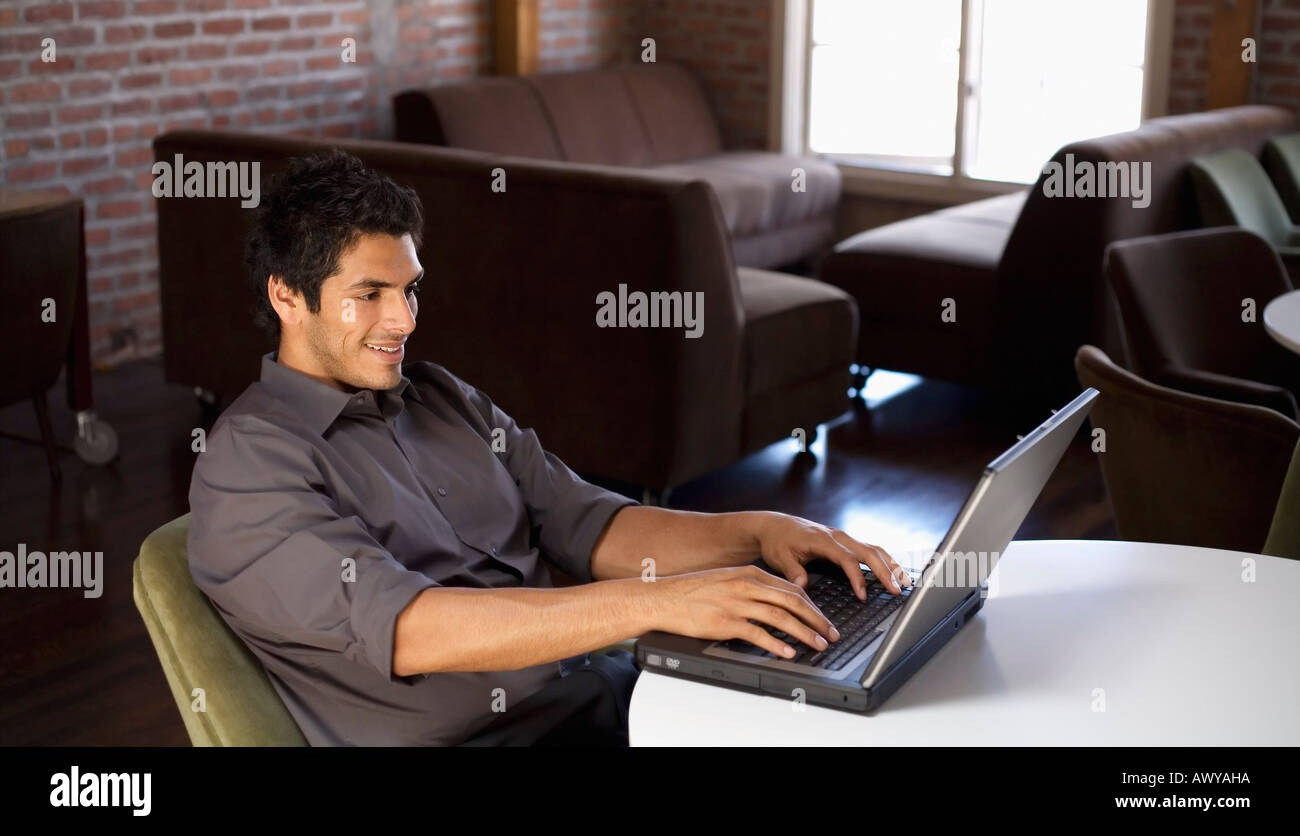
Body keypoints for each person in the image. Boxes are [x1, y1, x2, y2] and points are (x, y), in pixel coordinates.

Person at [187, 149, 912, 746]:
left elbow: (588, 521)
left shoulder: (442, 398)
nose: (402, 320)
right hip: (493, 741)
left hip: (595, 697)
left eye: (410, 290)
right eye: (370, 294)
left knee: (844, 707)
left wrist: (760, 533)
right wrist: (657, 604)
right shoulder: (250, 466)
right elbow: (409, 627)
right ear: (288, 297)